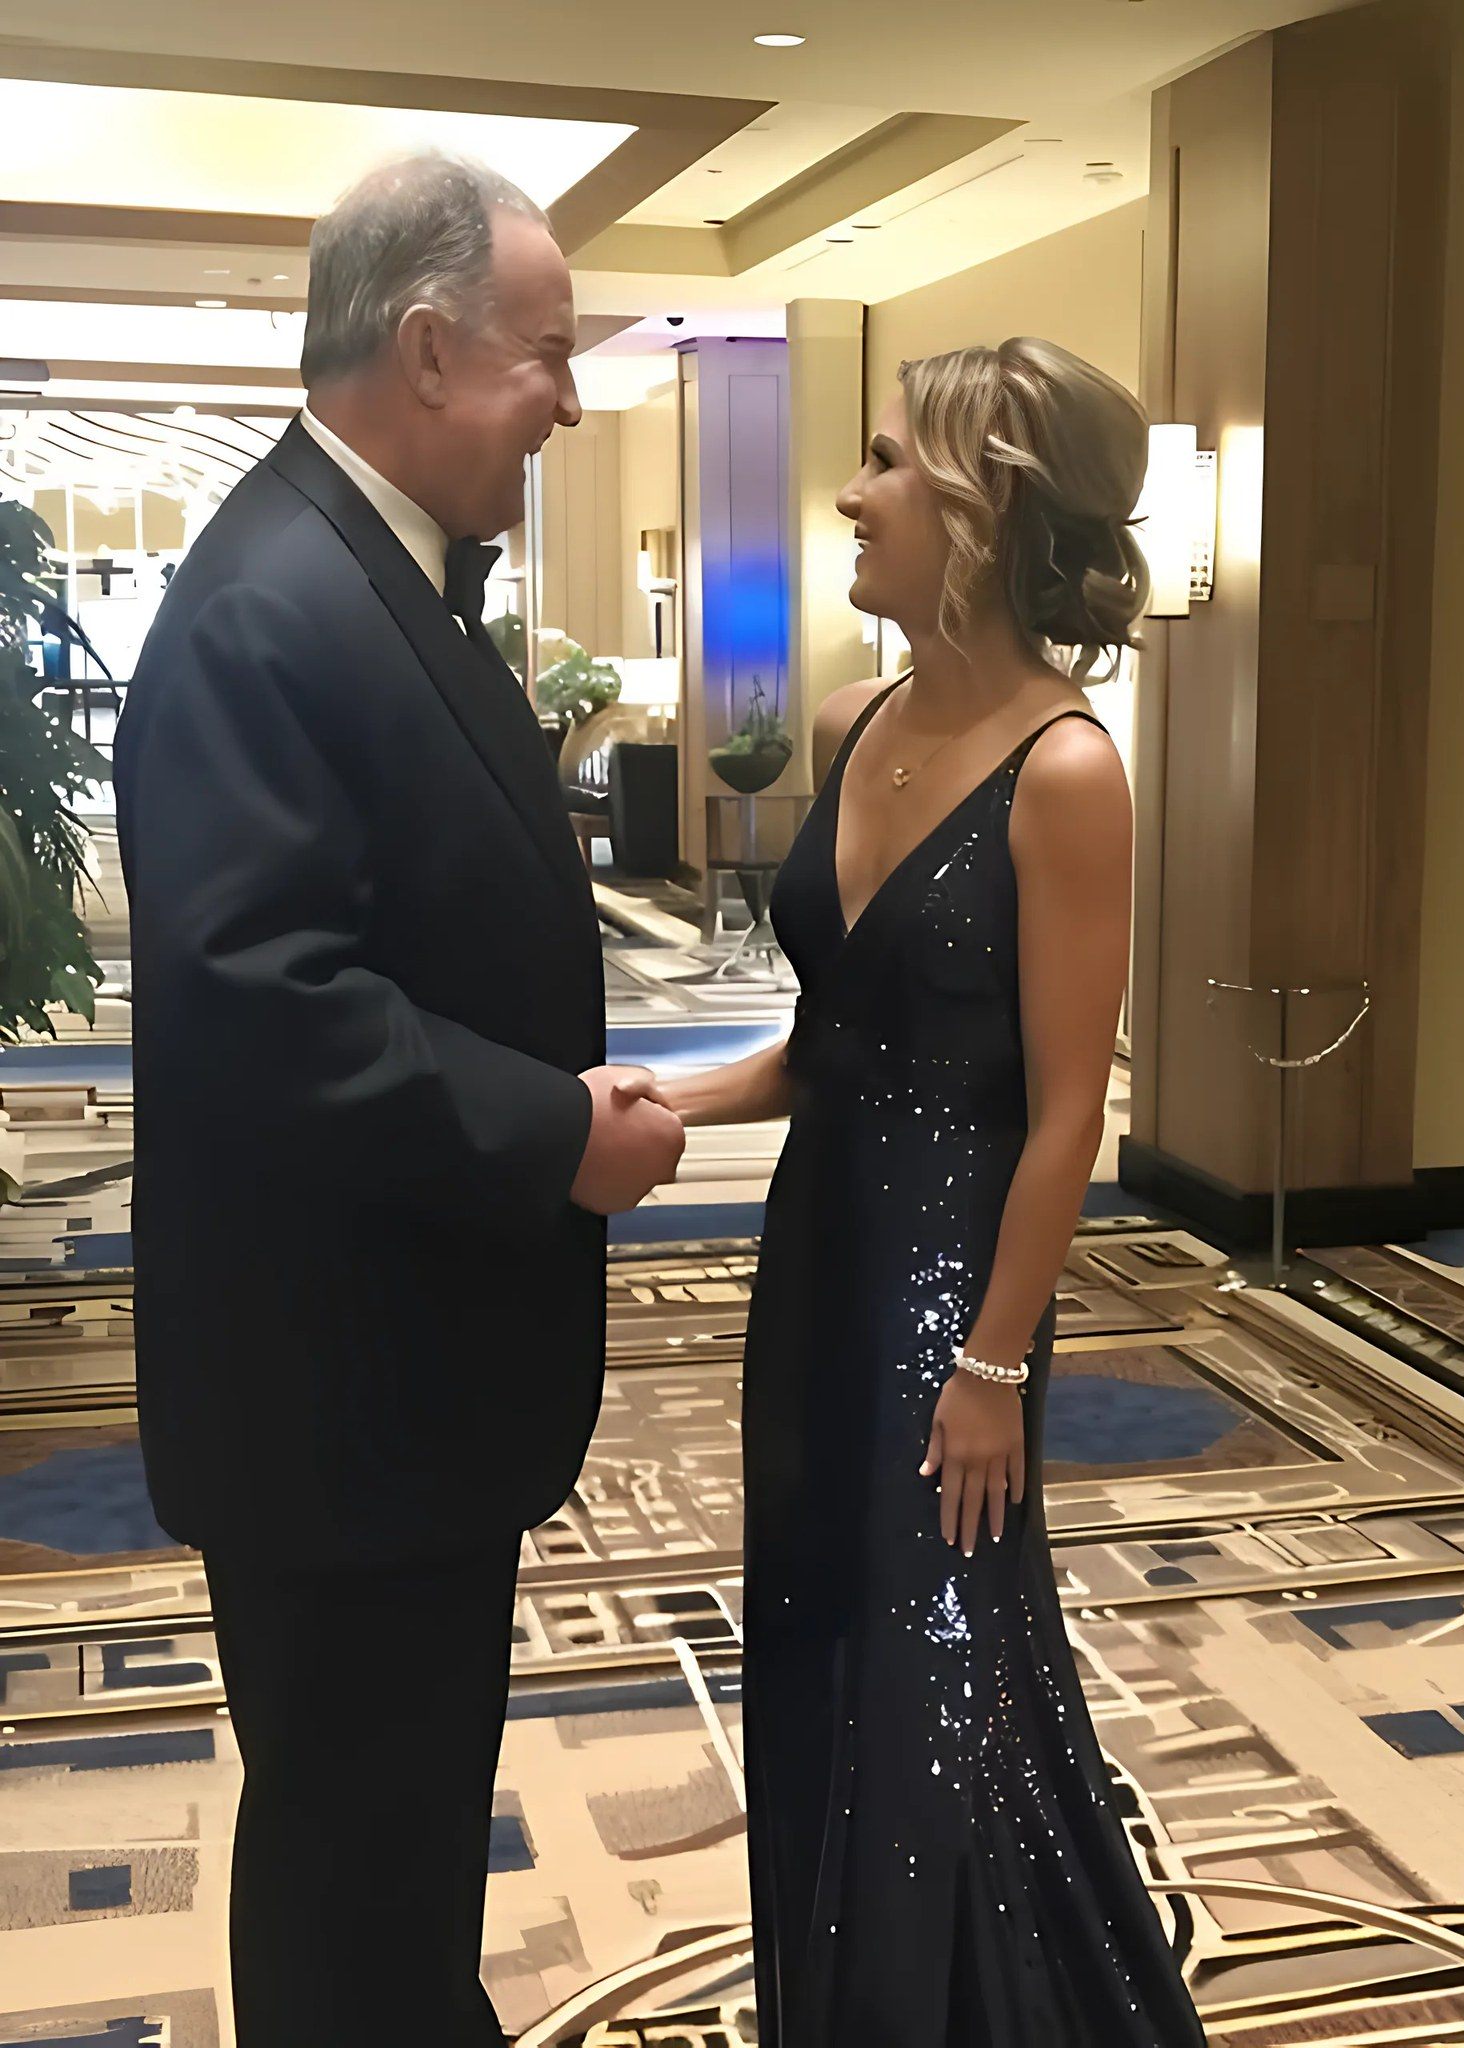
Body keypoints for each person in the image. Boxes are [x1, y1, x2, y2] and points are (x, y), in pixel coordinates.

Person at [113, 153, 683, 2047]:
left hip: (393, 1379)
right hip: (335, 1397)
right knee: (355, 1868)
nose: (572, 401)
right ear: (429, 350)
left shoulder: (365, 572)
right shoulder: (268, 604)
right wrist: (554, 1136)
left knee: (391, 1852)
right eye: (549, 355)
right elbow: (263, 1005)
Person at [661, 340, 1206, 2043]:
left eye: (889, 462)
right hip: (815, 1266)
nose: (850, 493)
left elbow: (1064, 1115)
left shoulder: (1066, 771)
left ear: (984, 512)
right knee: (816, 1638)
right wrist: (657, 1101)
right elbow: (829, 1049)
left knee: (943, 1690)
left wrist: (990, 1364)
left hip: (950, 1312)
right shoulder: (850, 721)